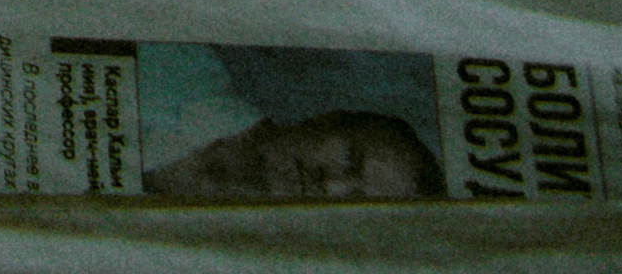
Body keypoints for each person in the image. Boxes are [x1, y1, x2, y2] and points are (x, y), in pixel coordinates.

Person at [147, 109, 445, 202]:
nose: (331, 184)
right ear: (328, 119)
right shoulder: (181, 68)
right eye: (350, 159)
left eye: (356, 200)